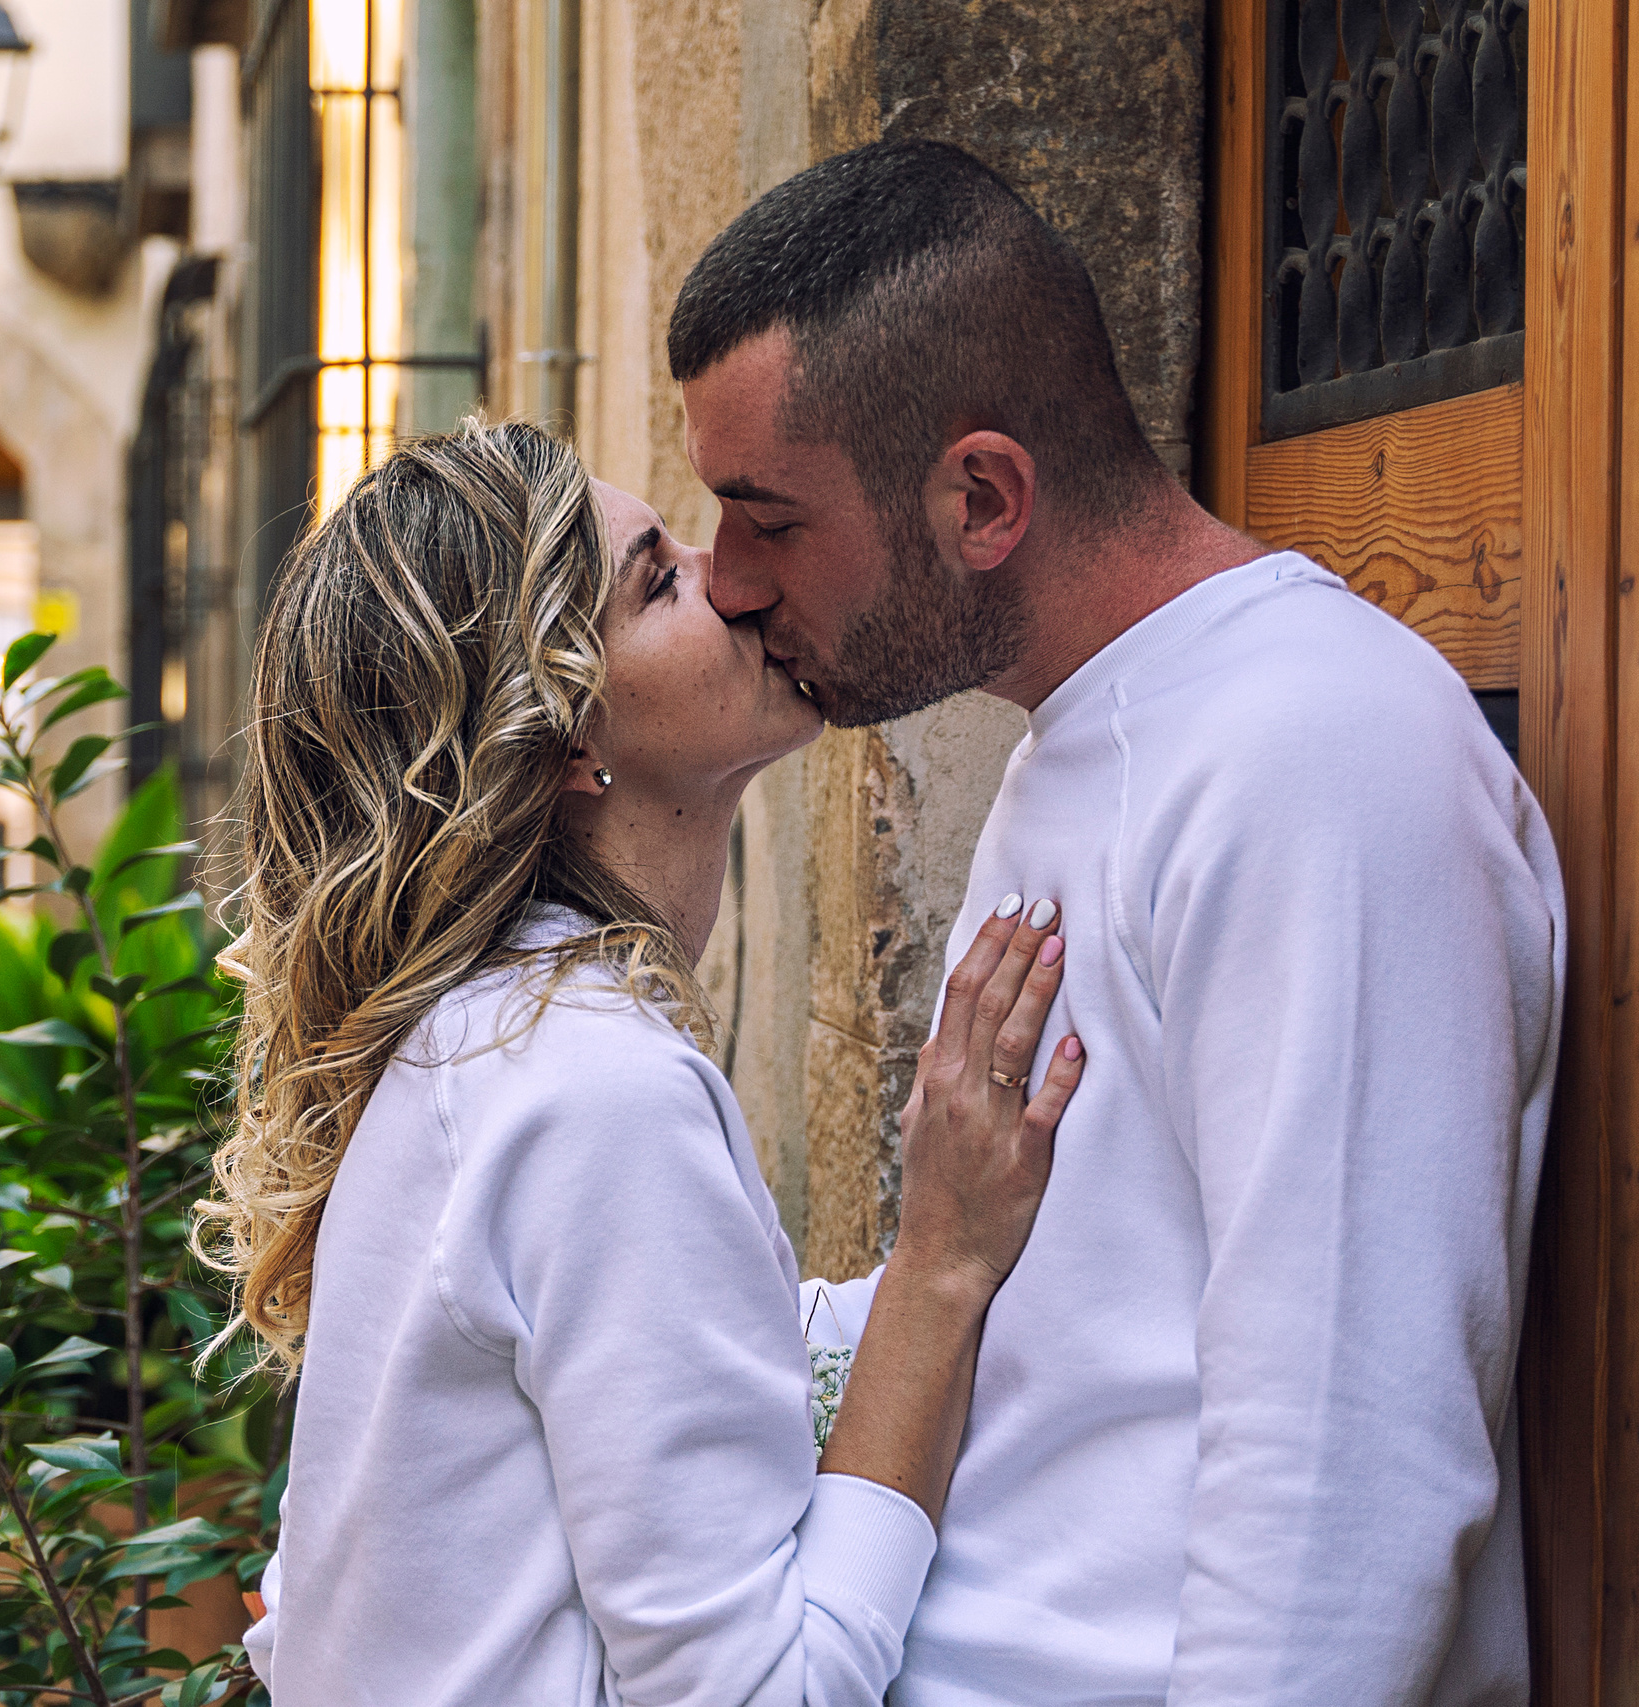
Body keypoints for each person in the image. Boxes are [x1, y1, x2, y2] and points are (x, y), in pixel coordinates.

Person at [670, 139, 1567, 1706]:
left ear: (983, 496)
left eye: (771, 519)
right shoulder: (1086, 738)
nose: (730, 581)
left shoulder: (1316, 756)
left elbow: (1349, 1467)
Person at [201, 421, 1085, 1705]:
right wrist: (943, 1264)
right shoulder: (588, 1086)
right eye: (659, 580)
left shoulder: (493, 1036)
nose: (731, 579)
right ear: (559, 738)